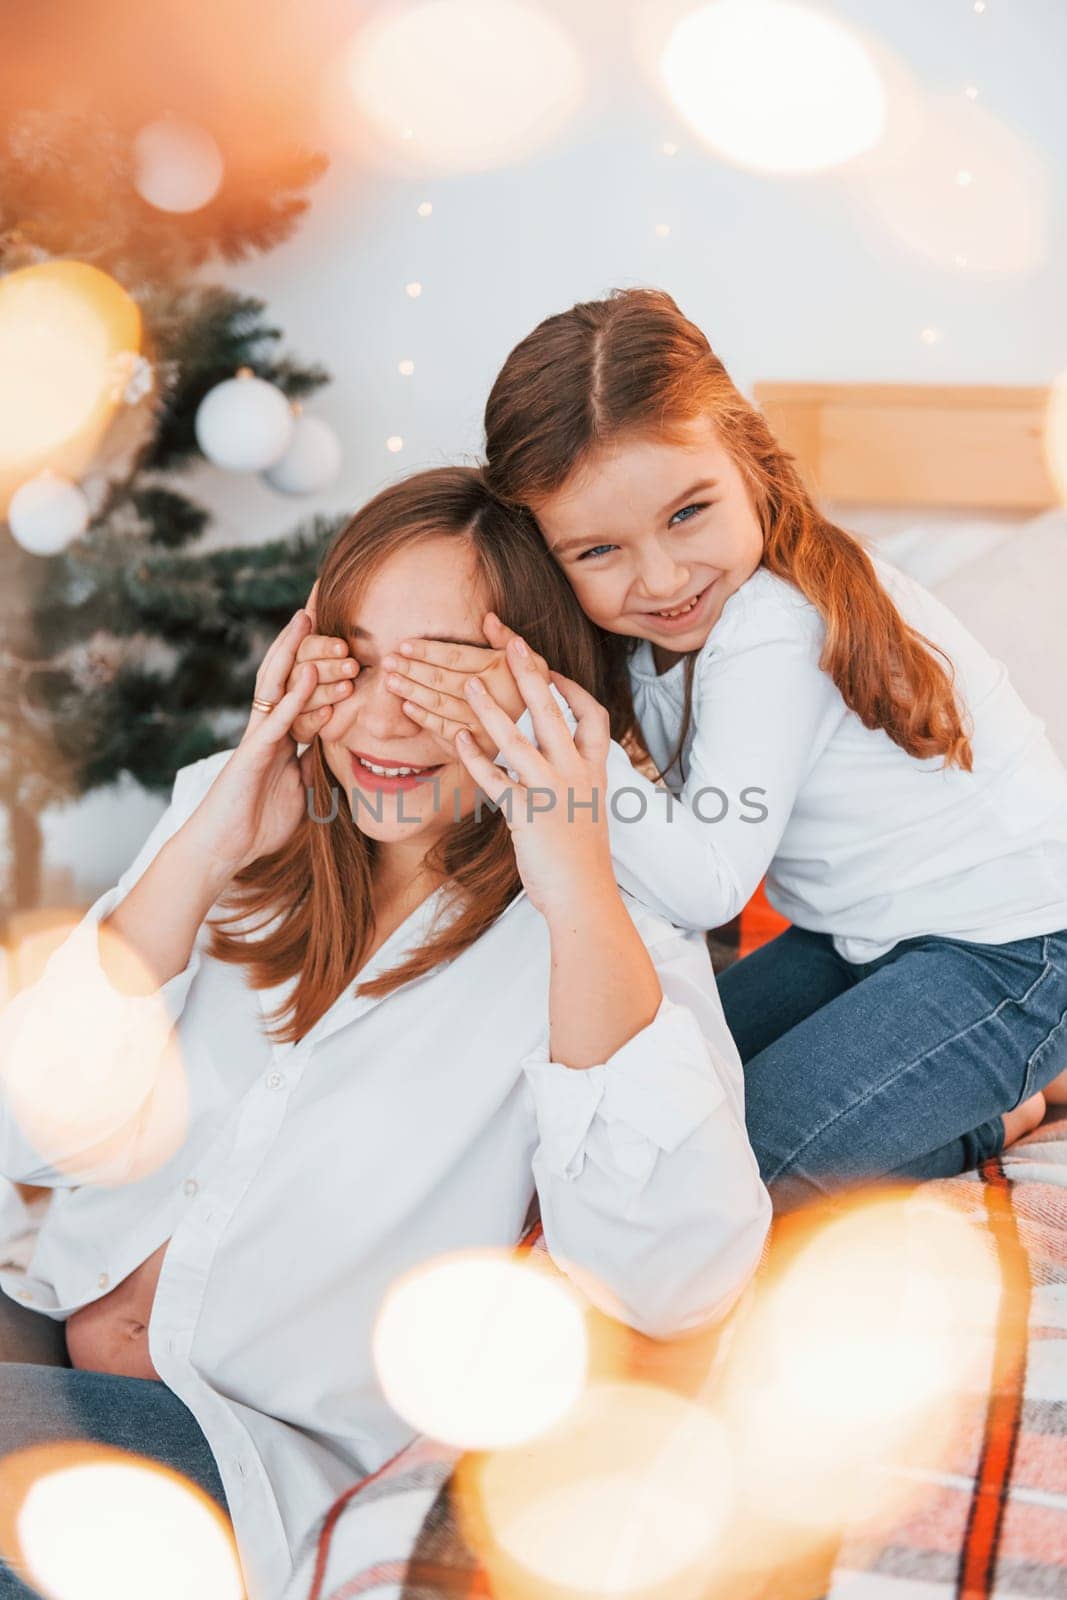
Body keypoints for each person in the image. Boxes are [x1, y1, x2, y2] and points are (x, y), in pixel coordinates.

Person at [0, 467, 770, 1600]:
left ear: (543, 690)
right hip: (35, 1328)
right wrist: (212, 841)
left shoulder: (600, 942)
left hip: (239, 1462)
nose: (380, 716)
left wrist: (569, 872)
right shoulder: (232, 820)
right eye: (353, 659)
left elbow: (675, 1281)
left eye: (443, 674)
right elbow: (30, 1134)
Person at [297, 289, 1067, 1210]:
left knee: (722, 1185)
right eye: (596, 553)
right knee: (662, 1111)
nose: (660, 580)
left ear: (744, 461)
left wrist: (558, 728)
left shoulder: (770, 627)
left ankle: (998, 1113)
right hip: (858, 934)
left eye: (687, 514)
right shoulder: (648, 635)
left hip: (1015, 946)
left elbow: (705, 886)